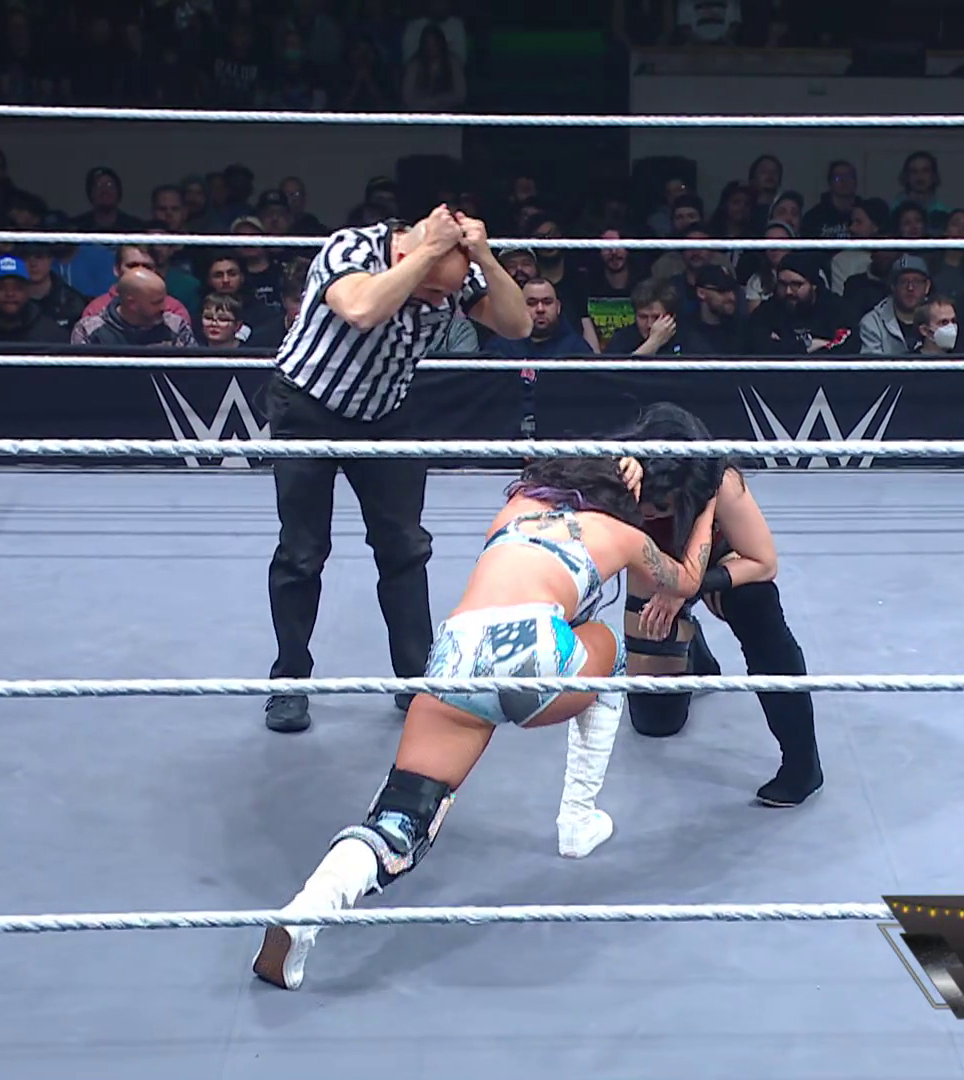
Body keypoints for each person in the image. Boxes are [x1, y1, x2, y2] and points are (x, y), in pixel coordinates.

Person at [253, 454, 718, 990]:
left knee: (402, 815)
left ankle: (305, 911)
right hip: (537, 652)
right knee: (610, 650)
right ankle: (577, 818)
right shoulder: (624, 536)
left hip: (458, 651)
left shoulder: (522, 501)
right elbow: (685, 580)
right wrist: (706, 504)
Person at [264, 205, 529, 734]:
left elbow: (517, 324)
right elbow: (361, 309)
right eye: (429, 291)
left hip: (386, 412)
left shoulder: (452, 273)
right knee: (302, 551)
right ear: (408, 250)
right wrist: (426, 255)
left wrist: (484, 258)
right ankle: (288, 682)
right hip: (308, 405)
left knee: (405, 548)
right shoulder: (351, 248)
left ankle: (417, 681)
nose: (435, 303)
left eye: (442, 296)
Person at [611, 404, 823, 814]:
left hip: (717, 562)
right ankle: (693, 652)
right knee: (655, 721)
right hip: (653, 569)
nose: (650, 513)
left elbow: (764, 562)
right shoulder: (617, 473)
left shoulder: (720, 482)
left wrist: (689, 587)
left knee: (759, 607)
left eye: (661, 508)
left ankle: (802, 763)